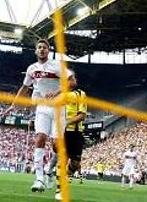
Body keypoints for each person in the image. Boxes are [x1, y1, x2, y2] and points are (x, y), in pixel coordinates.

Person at [2, 39, 73, 193]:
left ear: (49, 51)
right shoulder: (31, 69)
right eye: (39, 47)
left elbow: (72, 81)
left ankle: (49, 169)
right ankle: (39, 179)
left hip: (59, 108)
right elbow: (24, 87)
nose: (42, 50)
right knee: (40, 138)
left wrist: (57, 92)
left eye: (45, 48)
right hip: (43, 108)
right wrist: (13, 105)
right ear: (36, 51)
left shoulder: (57, 66)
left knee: (56, 144)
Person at [53, 73, 87, 201]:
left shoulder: (80, 94)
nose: (74, 80)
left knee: (75, 163)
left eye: (73, 78)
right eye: (71, 78)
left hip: (76, 132)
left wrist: (66, 122)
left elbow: (82, 116)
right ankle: (59, 189)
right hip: (62, 132)